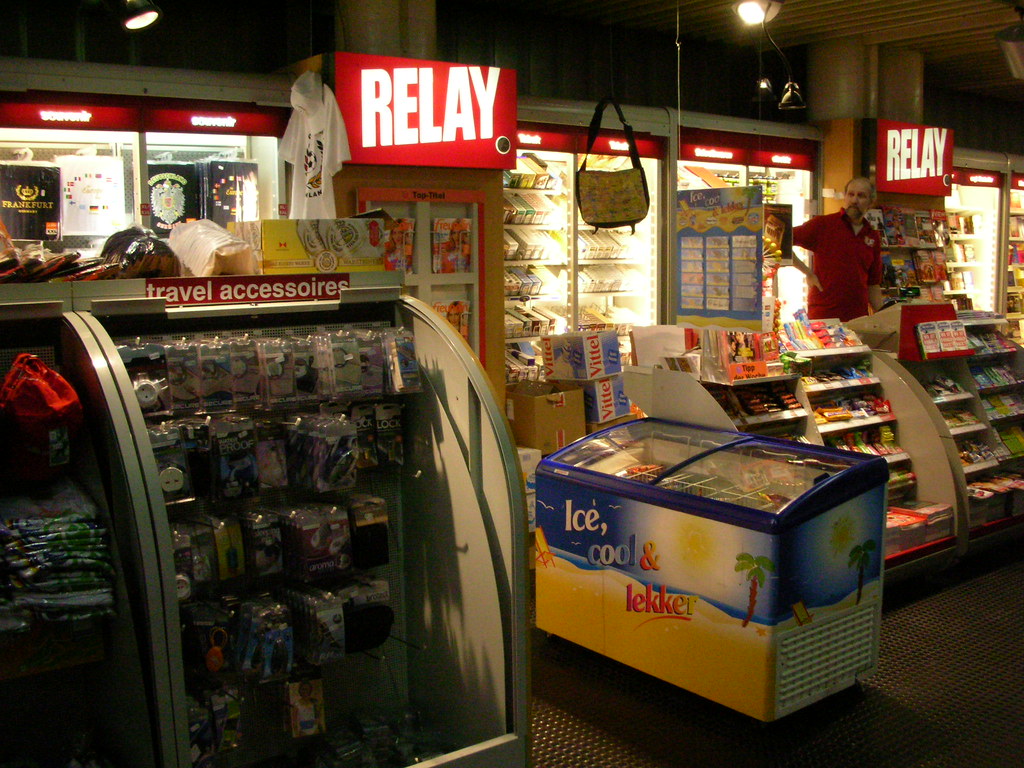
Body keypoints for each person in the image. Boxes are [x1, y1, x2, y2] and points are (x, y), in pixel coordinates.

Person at [791, 177, 884, 322]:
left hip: (858, 317)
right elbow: (781, 238)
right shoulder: (823, 225)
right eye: (851, 194)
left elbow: (873, 284)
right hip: (823, 315)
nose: (854, 200)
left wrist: (883, 317)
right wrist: (807, 272)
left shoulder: (873, 236)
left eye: (861, 195)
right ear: (845, 197)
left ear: (871, 202)